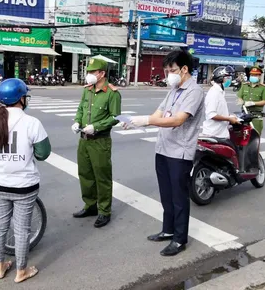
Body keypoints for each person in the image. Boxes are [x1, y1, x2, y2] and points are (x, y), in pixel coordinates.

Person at [124, 50, 204, 257]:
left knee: (179, 197)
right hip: (163, 148)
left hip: (180, 152)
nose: (169, 74)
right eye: (167, 70)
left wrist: (147, 121)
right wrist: (134, 122)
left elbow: (178, 120)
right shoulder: (174, 89)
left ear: (184, 69)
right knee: (166, 195)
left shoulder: (194, 91)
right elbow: (158, 114)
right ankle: (168, 229)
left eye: (172, 70)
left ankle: (179, 239)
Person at [0, 78, 51, 283]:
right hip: (24, 187)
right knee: (22, 230)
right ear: (21, 98)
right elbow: (43, 153)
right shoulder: (31, 123)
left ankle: (0, 267)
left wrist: (0, 164)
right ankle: (21, 271)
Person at [71, 57, 121, 228]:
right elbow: (80, 108)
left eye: (92, 72)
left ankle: (104, 211)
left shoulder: (112, 93)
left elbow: (115, 118)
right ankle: (90, 205)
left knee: (102, 177)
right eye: (89, 72)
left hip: (100, 141)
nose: (89, 75)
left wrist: (96, 127)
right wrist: (77, 121)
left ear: (102, 74)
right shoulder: (87, 90)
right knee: (85, 175)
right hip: (84, 140)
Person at [201, 66, 240, 139]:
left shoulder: (220, 92)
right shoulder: (214, 93)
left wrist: (230, 116)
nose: (229, 80)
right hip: (214, 134)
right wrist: (228, 119)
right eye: (227, 77)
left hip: (220, 132)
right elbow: (211, 115)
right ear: (220, 78)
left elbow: (220, 111)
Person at [237, 66, 265, 135]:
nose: (253, 76)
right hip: (244, 115)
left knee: (255, 136)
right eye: (252, 75)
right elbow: (239, 96)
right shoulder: (244, 85)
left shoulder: (263, 88)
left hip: (256, 116)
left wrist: (253, 103)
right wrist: (241, 101)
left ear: (259, 76)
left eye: (255, 75)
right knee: (242, 135)